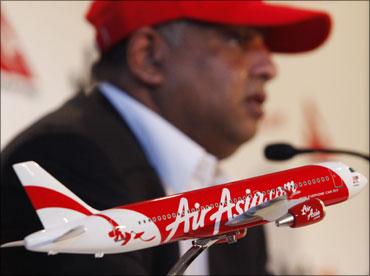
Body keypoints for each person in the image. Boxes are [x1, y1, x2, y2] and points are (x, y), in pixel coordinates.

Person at [1, 1, 331, 275]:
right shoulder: (66, 158)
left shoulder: (227, 194)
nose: (269, 68)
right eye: (240, 40)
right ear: (147, 56)